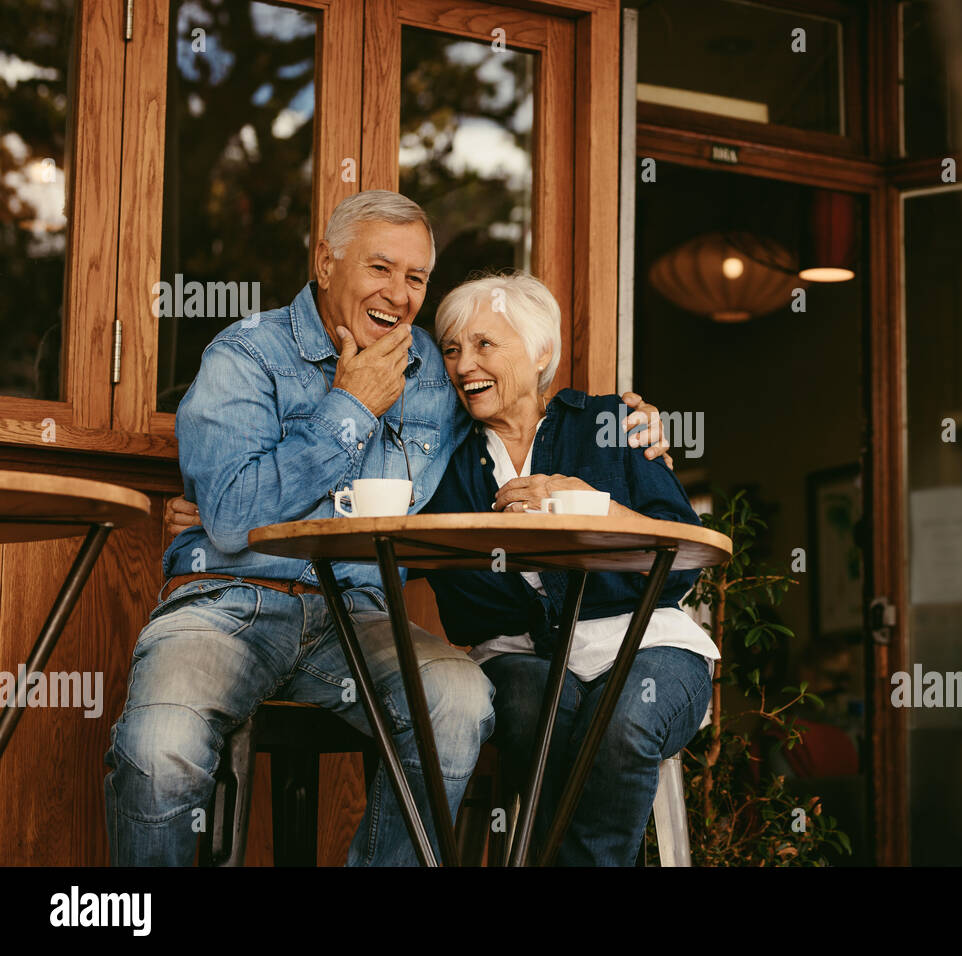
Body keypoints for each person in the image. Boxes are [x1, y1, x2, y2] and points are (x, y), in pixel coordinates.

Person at [120, 190, 668, 866]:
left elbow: (518, 398)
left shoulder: (436, 377)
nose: (400, 294)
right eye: (381, 269)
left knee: (460, 702)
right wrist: (349, 408)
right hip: (231, 599)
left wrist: (625, 422)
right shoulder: (246, 355)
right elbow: (232, 518)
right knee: (159, 746)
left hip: (358, 615)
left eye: (416, 278)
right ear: (326, 263)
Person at [420, 271, 718, 866]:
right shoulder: (443, 460)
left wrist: (594, 507)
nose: (463, 364)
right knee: (538, 716)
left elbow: (682, 560)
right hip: (521, 656)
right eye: (452, 349)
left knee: (624, 720)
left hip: (647, 646)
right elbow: (461, 599)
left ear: (541, 354)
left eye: (485, 344)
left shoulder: (612, 424)